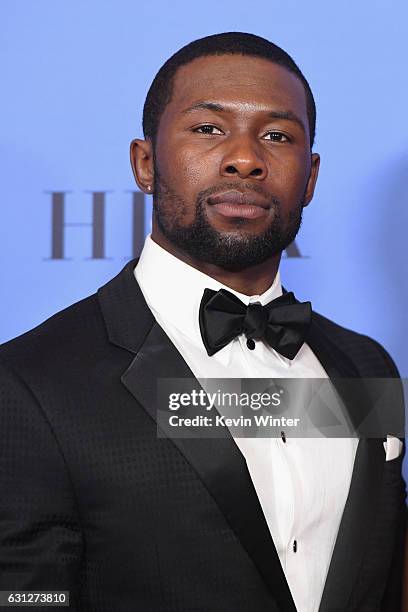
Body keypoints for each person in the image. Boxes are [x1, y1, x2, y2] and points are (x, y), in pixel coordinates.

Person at [0, 32, 406, 612]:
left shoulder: (366, 364)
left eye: (277, 135)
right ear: (145, 163)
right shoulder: (26, 384)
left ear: (311, 177)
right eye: (209, 129)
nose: (245, 157)